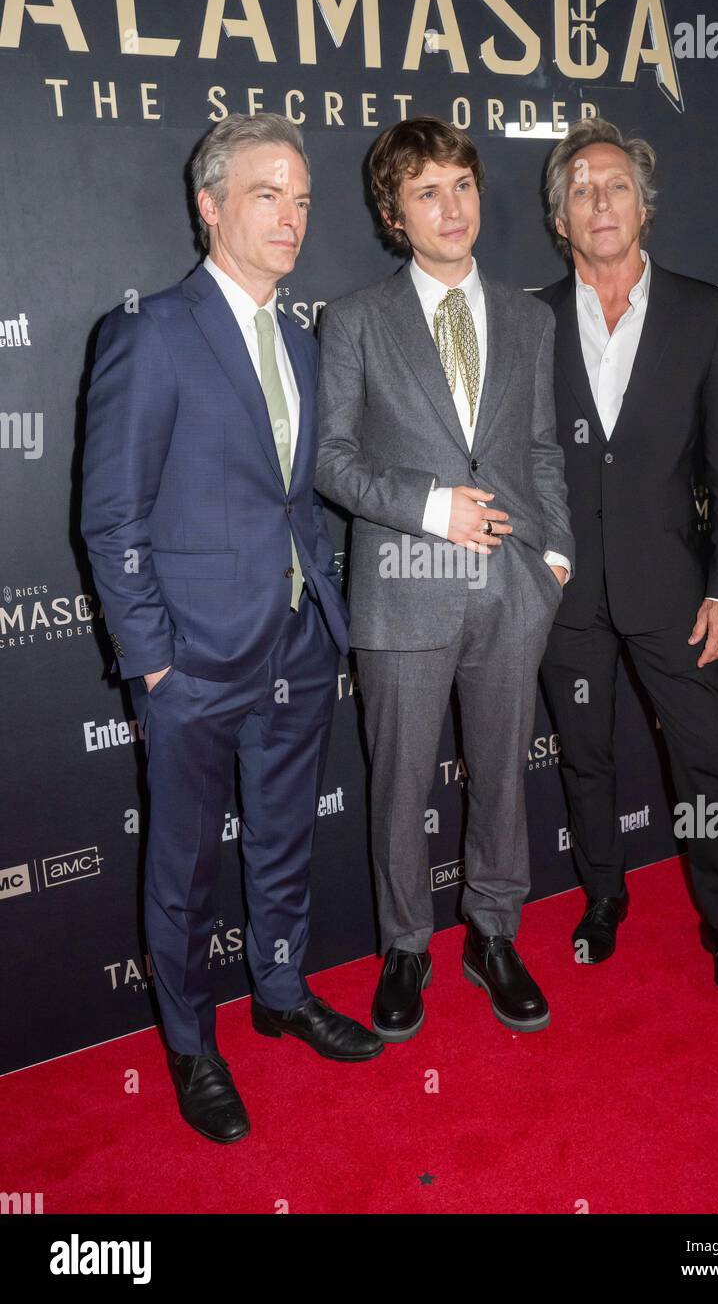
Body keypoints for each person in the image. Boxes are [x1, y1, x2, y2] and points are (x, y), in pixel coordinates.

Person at [81, 113, 383, 1145]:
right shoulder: (149, 332)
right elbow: (111, 518)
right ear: (209, 204)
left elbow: (290, 498)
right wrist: (155, 661)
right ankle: (190, 1045)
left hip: (294, 648)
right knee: (182, 868)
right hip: (192, 668)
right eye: (267, 194)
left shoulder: (300, 337)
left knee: (285, 841)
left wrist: (320, 609)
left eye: (301, 198)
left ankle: (282, 990)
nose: (292, 216)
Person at [316, 117, 575, 1041]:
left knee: (503, 777)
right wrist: (432, 509)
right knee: (399, 785)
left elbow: (542, 450)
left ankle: (494, 935)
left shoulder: (530, 317)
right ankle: (405, 947)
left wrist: (553, 562)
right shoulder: (354, 320)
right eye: (426, 191)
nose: (450, 206)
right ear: (394, 214)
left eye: (461, 185)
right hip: (403, 588)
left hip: (513, 591)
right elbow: (333, 464)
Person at [537, 118, 718, 999]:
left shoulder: (704, 312)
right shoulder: (532, 320)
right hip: (567, 594)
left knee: (705, 758)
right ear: (560, 218)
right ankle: (601, 900)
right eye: (582, 188)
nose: (600, 200)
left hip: (675, 587)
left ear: (644, 205)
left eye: (616, 184)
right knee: (585, 756)